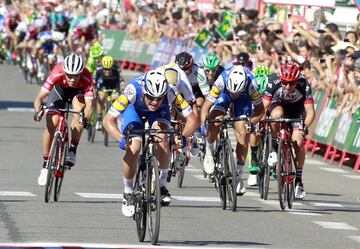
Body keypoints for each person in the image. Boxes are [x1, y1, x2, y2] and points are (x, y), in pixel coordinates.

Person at [102, 68, 199, 217]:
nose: (154, 101)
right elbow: (108, 120)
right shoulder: (133, 89)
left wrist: (184, 136)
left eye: (159, 98)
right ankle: (128, 191)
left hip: (159, 113)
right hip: (134, 111)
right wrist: (120, 137)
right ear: (144, 91)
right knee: (134, 147)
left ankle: (162, 183)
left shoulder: (171, 91)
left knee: (163, 137)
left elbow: (192, 120)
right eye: (151, 97)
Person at [201, 65, 264, 195]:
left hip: (244, 99)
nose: (234, 95)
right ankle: (208, 151)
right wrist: (204, 125)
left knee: (243, 133)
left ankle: (239, 177)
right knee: (216, 119)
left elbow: (260, 110)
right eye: (233, 92)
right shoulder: (221, 81)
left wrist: (251, 123)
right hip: (224, 94)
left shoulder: (252, 84)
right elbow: (205, 107)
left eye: (236, 92)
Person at [33, 54, 94, 186]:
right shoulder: (57, 72)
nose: (72, 79)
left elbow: (90, 105)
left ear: (81, 73)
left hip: (78, 93)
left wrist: (85, 119)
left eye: (76, 75)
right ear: (64, 72)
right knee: (52, 121)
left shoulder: (86, 76)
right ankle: (45, 164)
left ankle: (72, 149)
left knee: (79, 112)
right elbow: (39, 98)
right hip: (59, 89)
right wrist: (38, 112)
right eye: (69, 76)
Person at [263, 63, 315, 200]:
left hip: (297, 111)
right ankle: (274, 147)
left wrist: (304, 127)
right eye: (284, 83)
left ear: (297, 81)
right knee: (275, 116)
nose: (287, 87)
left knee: (298, 142)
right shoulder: (272, 81)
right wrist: (259, 123)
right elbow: (263, 107)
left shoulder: (304, 85)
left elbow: (310, 112)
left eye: (291, 84)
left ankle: (298, 179)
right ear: (280, 79)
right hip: (278, 105)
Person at [174, 51, 207, 155]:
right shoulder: (173, 71)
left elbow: (207, 96)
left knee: (199, 104)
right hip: (179, 92)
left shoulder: (199, 72)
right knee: (176, 112)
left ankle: (196, 133)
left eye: (187, 69)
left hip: (195, 91)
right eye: (182, 69)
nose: (185, 72)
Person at [247, 65, 272, 186]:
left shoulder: (272, 88)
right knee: (254, 130)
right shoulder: (250, 87)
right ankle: (253, 161)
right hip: (255, 108)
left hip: (269, 108)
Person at [94, 55, 125, 130]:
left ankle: (115, 118)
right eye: (105, 69)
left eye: (109, 69)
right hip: (103, 85)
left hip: (114, 86)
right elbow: (94, 81)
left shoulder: (117, 70)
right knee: (101, 97)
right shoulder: (99, 70)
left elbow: (121, 81)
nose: (107, 71)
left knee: (116, 99)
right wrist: (94, 91)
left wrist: (123, 90)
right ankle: (99, 118)